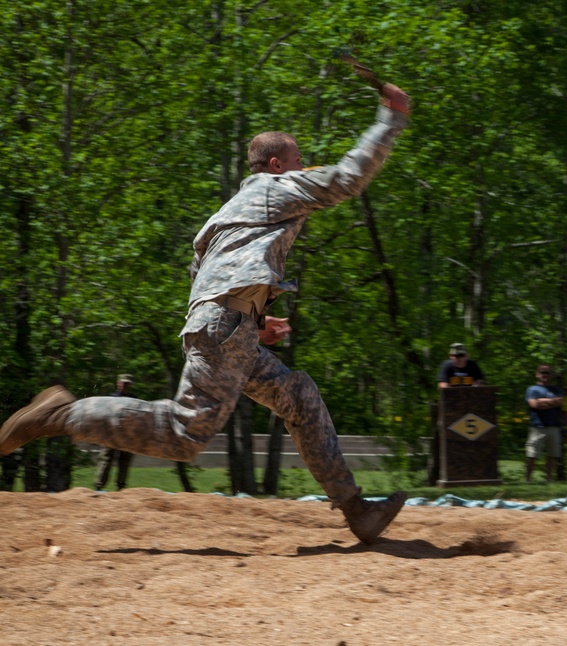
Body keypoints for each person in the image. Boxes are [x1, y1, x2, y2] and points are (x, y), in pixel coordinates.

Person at [0, 83, 412, 544]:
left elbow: (202, 271)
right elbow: (346, 178)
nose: (303, 167)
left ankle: (356, 510)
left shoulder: (228, 212)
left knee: (298, 396)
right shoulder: (276, 188)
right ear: (277, 166)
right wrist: (389, 117)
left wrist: (253, 321)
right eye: (298, 160)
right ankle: (63, 415)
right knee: (184, 434)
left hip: (228, 327)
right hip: (225, 328)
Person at [93, 374, 136, 491]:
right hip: (110, 434)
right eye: (123, 383)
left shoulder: (135, 400)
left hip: (126, 436)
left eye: (127, 384)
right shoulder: (110, 399)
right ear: (118, 383)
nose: (125, 386)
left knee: (124, 461)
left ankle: (121, 487)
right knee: (106, 459)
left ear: (130, 385)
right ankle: (99, 486)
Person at [525, 364, 563, 483]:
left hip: (554, 425)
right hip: (538, 426)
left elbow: (561, 402)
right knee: (532, 454)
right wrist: (552, 402)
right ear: (537, 374)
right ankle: (528, 479)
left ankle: (549, 479)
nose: (544, 375)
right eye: (542, 372)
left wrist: (542, 402)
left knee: (552, 454)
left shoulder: (556, 389)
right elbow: (534, 405)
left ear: (550, 375)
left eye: (547, 373)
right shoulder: (532, 389)